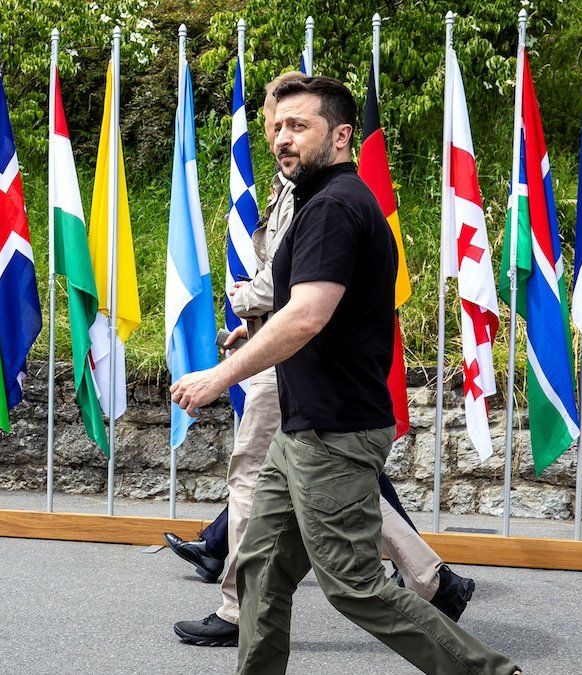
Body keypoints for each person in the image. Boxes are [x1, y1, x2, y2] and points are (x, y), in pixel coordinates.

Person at [170, 76, 519, 675]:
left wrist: (219, 376)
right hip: (303, 427)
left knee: (354, 585)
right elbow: (308, 303)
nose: (282, 139)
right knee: (258, 565)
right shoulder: (325, 201)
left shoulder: (333, 207)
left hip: (332, 431)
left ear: (340, 136)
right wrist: (256, 331)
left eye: (298, 127)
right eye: (278, 127)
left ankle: (491, 673)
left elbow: (307, 317)